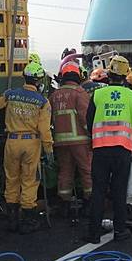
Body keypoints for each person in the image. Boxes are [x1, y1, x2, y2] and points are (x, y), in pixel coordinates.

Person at [0, 62, 54, 234]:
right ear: (38, 81)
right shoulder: (43, 102)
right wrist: (49, 150)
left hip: (12, 142)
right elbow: (44, 130)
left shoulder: (11, 95)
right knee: (29, 180)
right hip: (31, 143)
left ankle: (12, 219)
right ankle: (28, 220)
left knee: (11, 178)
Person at [84, 56, 132, 244]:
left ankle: (93, 233)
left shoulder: (97, 95)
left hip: (101, 150)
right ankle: (119, 231)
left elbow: (89, 122)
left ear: (109, 74)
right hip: (123, 150)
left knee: (98, 191)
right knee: (119, 191)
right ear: (125, 75)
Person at [48, 61, 92, 207]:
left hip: (60, 142)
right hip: (80, 141)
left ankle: (64, 202)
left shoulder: (54, 96)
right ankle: (90, 201)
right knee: (87, 171)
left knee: (65, 172)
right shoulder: (79, 93)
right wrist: (91, 135)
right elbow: (85, 118)